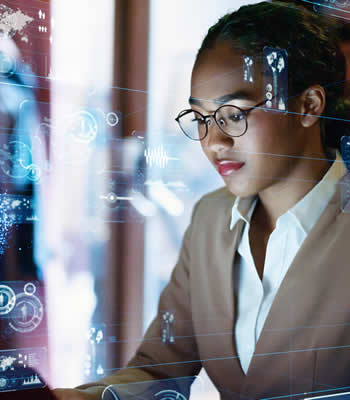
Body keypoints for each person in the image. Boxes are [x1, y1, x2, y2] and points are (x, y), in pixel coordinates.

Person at [53, 2, 350, 399]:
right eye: (200, 119)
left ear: (307, 106)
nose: (214, 142)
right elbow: (160, 368)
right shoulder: (211, 219)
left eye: (234, 113)